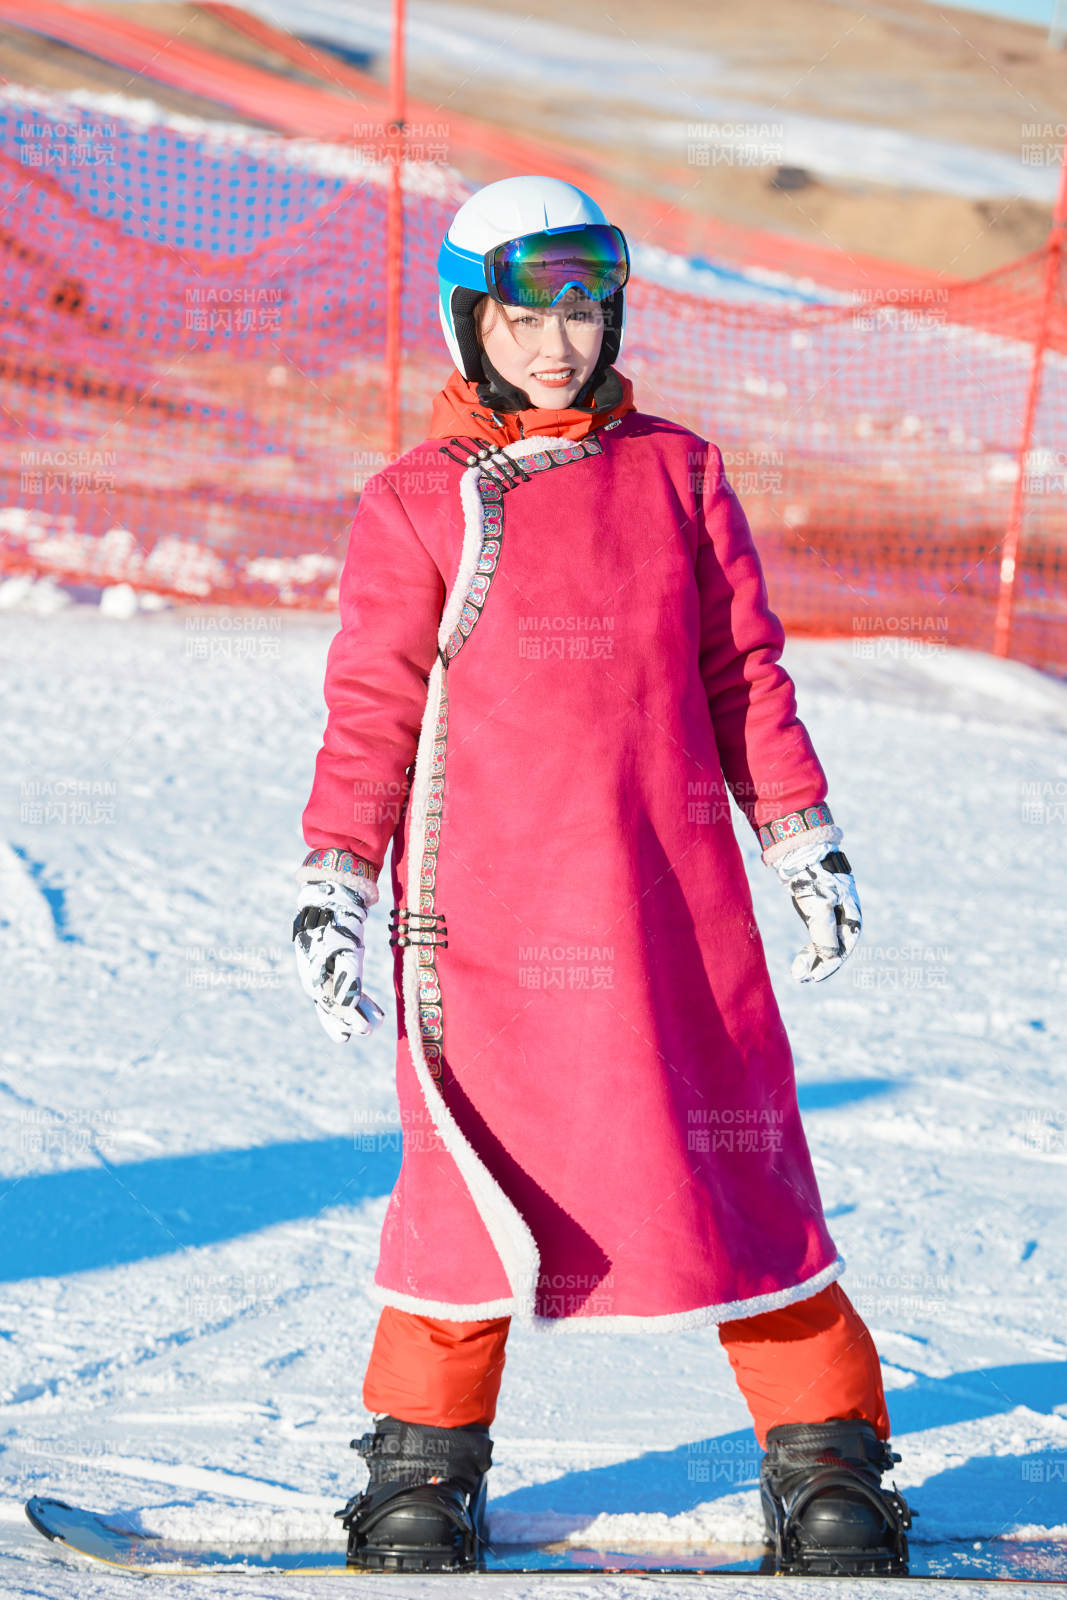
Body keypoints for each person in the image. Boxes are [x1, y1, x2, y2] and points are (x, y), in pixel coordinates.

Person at [292, 175, 912, 1576]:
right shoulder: (415, 503)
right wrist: (336, 877)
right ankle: (422, 1470)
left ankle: (827, 1462)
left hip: (673, 911)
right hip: (487, 922)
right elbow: (371, 712)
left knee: (740, 1176)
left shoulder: (679, 472)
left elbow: (740, 672)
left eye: (582, 312)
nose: (559, 345)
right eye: (524, 317)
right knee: (467, 1191)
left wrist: (799, 830)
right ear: (471, 324)